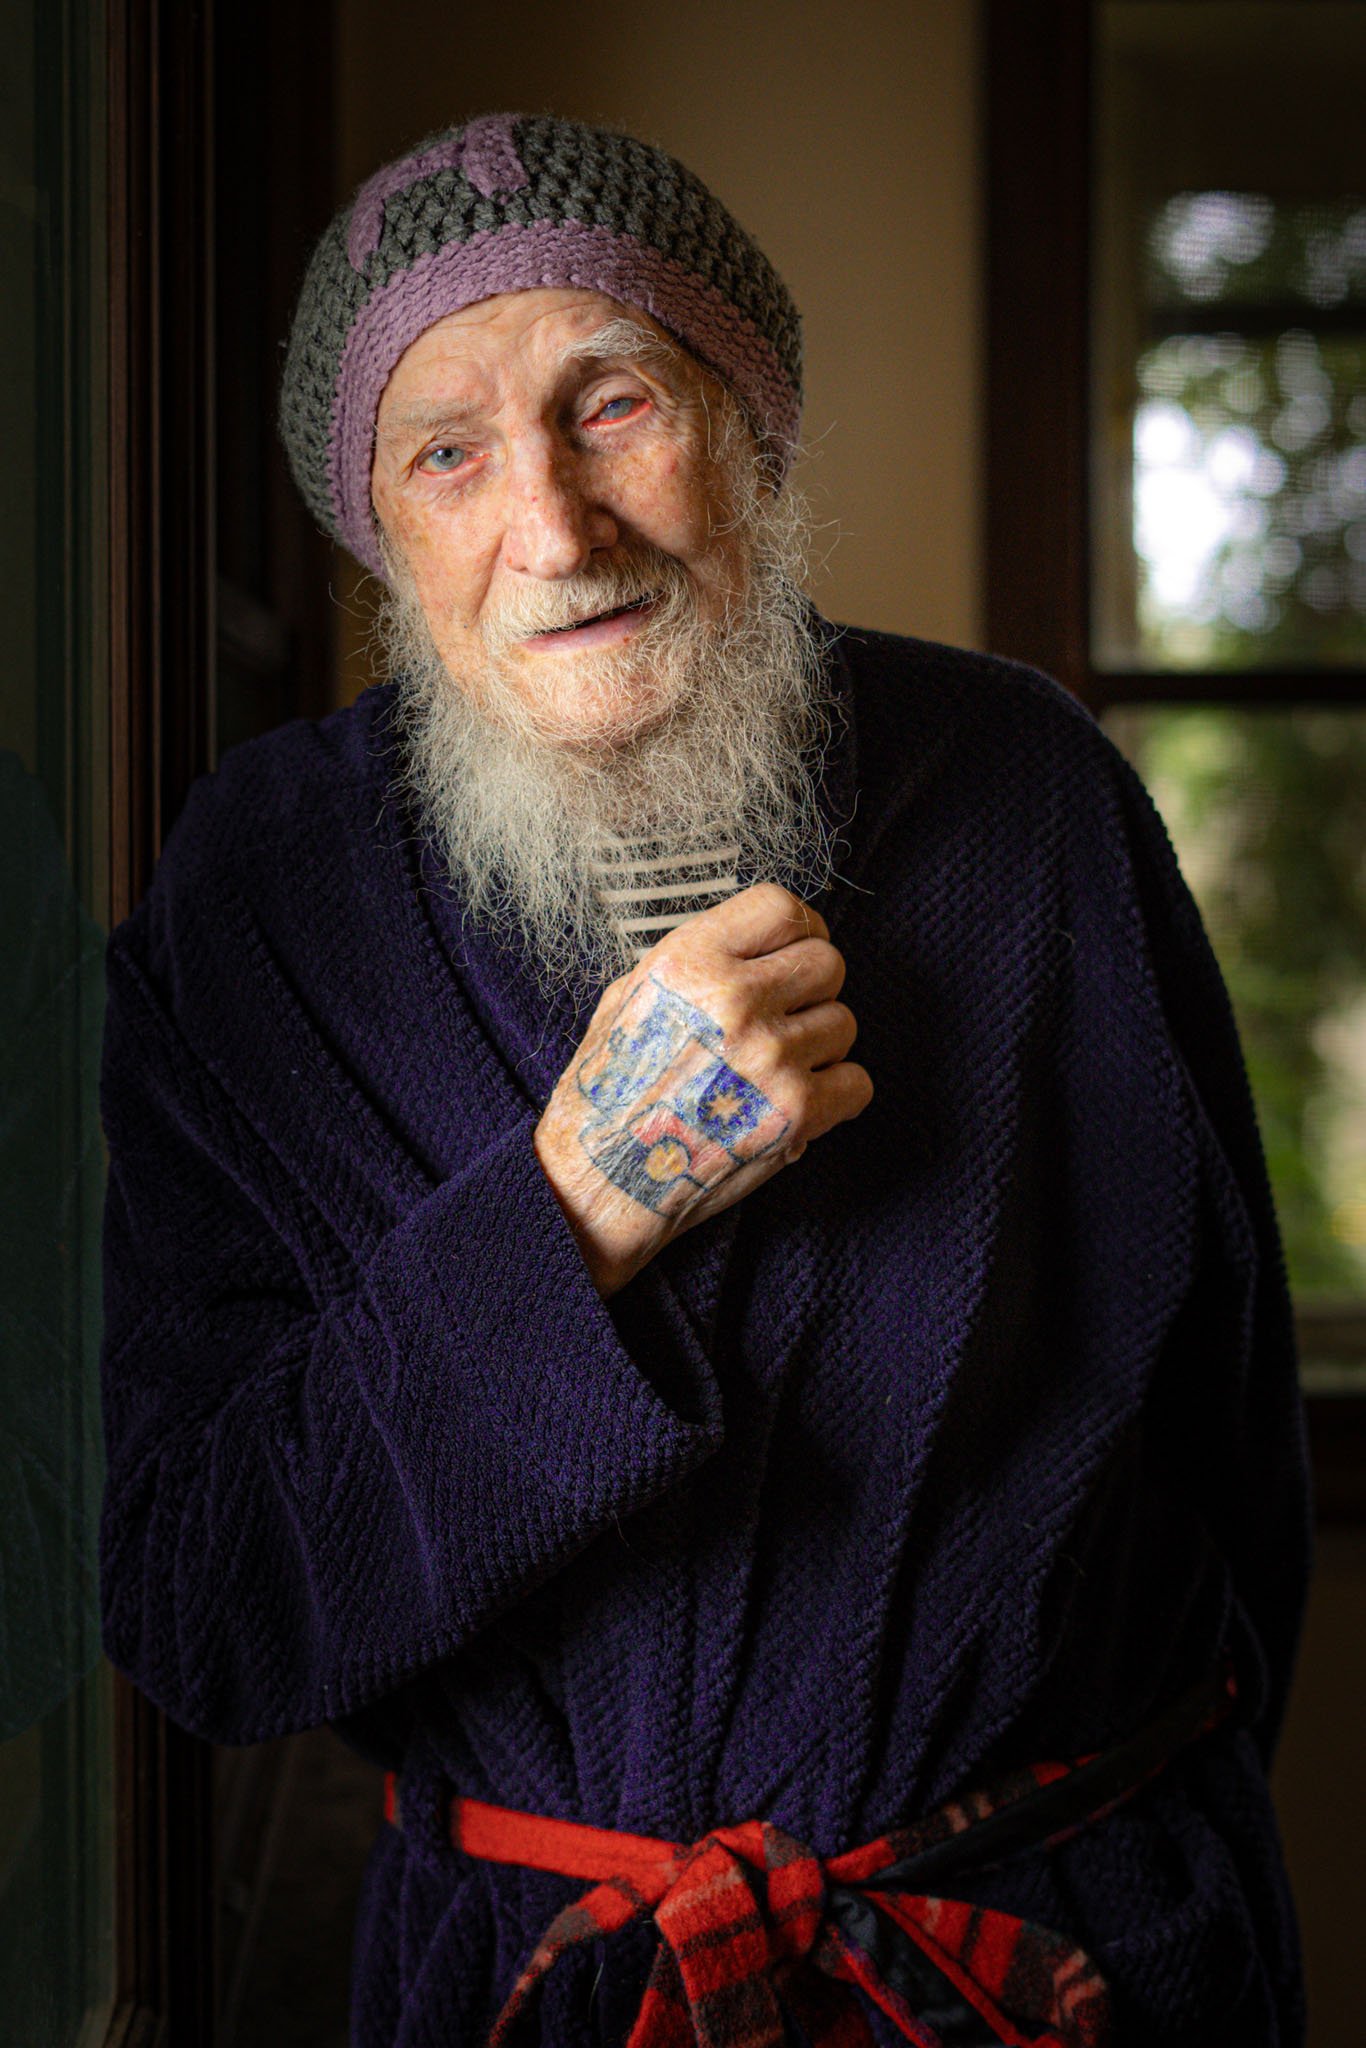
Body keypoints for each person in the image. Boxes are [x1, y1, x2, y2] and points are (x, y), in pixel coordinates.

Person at [97, 112, 1313, 2047]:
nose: (554, 530)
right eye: (448, 452)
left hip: (1068, 1963)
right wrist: (574, 1199)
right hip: (544, 1989)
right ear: (381, 535)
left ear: (749, 422)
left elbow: (1234, 1456)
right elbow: (206, 1610)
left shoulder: (1026, 785)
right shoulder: (262, 886)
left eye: (613, 403)